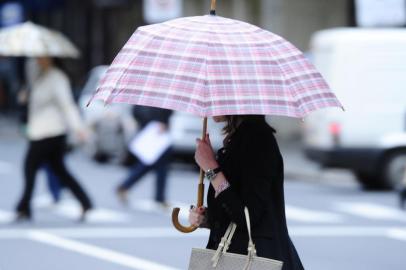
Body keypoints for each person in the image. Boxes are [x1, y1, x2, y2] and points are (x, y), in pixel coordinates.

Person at [189, 115, 305, 270]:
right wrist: (207, 218)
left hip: (254, 258)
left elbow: (248, 216)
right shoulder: (239, 138)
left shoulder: (258, 140)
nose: (211, 108)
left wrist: (211, 169)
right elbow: (237, 204)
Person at [15, 57, 93, 222]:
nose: (38, 60)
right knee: (59, 170)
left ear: (51, 58)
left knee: (30, 168)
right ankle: (85, 202)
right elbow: (31, 97)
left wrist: (78, 128)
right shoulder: (38, 76)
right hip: (38, 131)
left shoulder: (57, 77)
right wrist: (25, 94)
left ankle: (23, 207)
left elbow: (67, 105)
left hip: (51, 132)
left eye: (42, 57)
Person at [116, 106, 173, 207]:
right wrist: (161, 120)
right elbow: (164, 105)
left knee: (153, 163)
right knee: (155, 164)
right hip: (156, 128)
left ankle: (125, 186)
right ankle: (159, 198)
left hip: (152, 126)